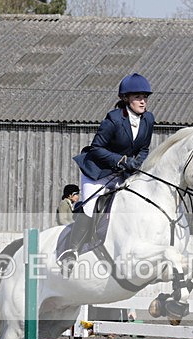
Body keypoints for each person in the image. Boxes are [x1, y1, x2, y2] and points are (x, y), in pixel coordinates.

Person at [57, 72, 156, 274]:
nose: (143, 101)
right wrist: (122, 160)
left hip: (123, 173)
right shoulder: (113, 119)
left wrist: (136, 162)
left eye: (145, 97)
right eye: (137, 97)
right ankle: (71, 252)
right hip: (98, 171)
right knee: (90, 206)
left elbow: (144, 148)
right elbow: (96, 148)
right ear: (126, 99)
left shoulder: (148, 119)